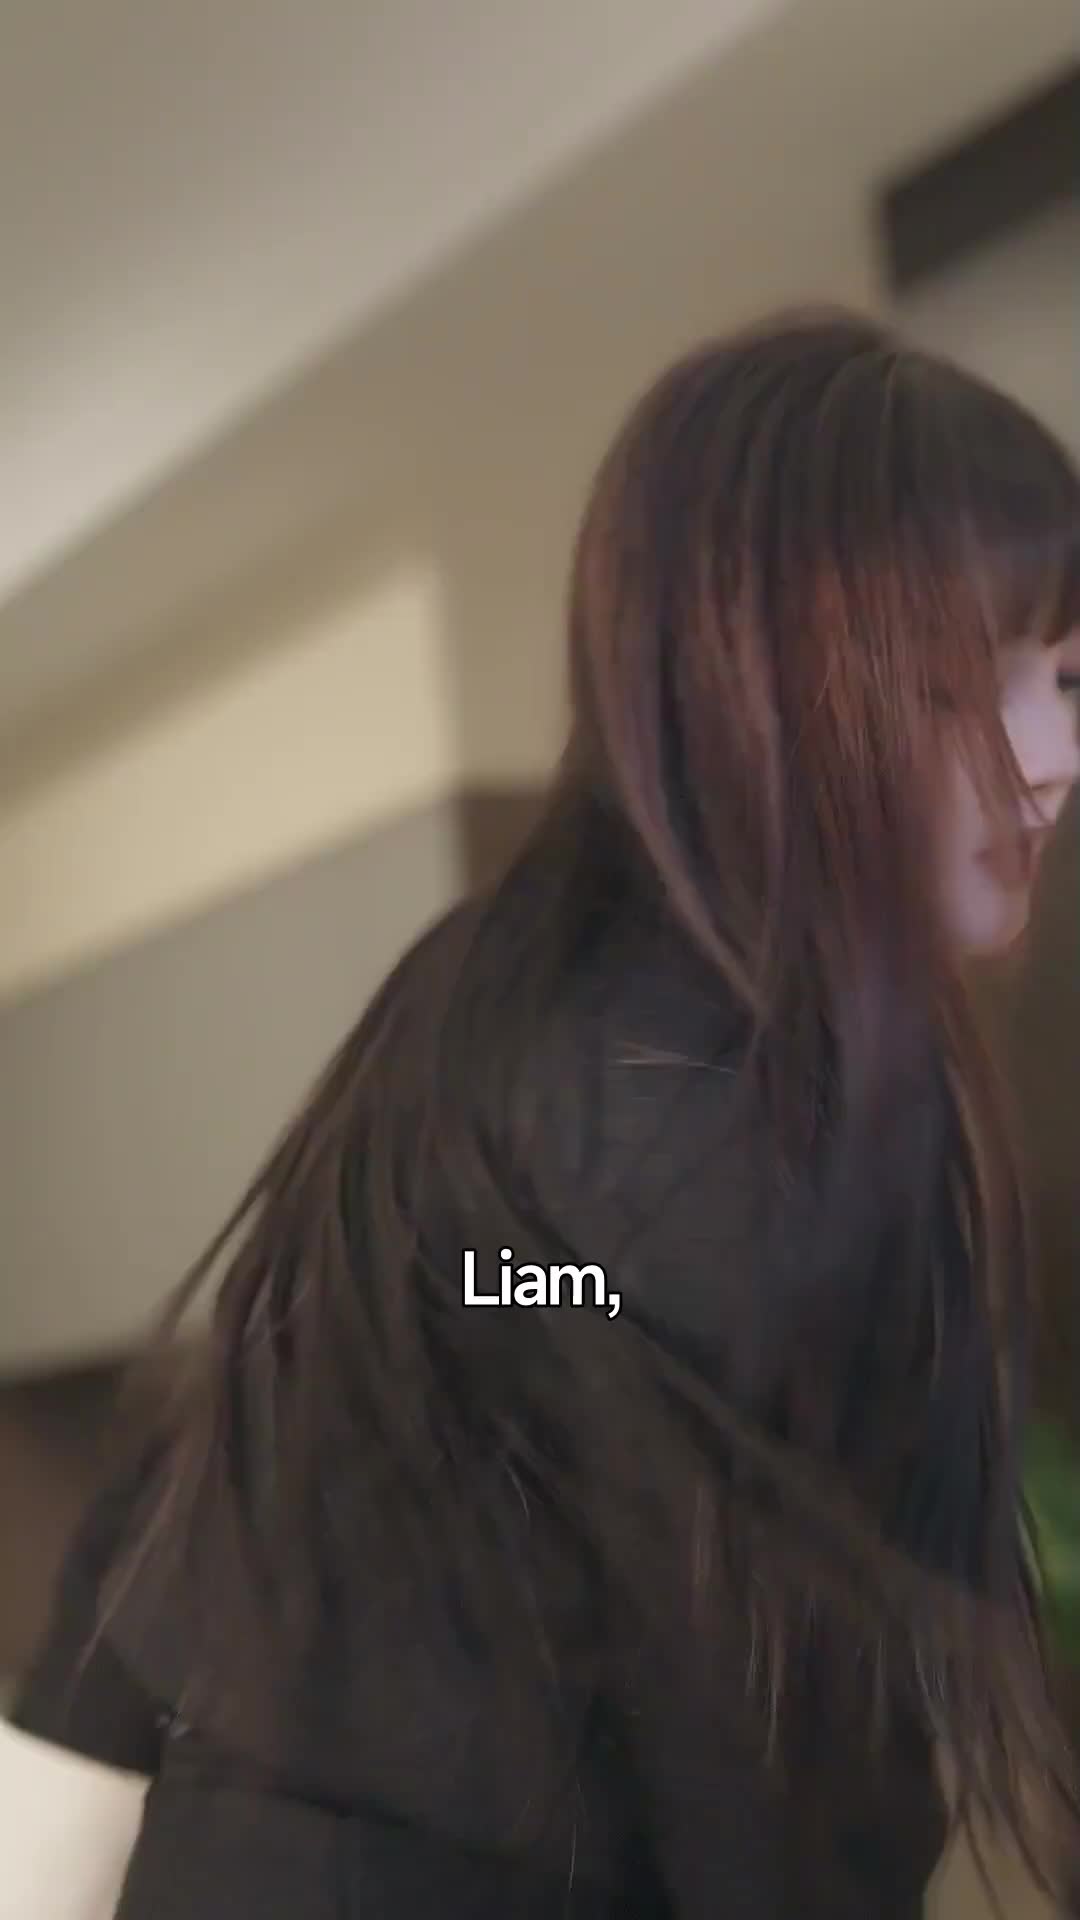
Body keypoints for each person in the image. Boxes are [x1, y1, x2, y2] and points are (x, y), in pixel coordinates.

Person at [3, 309, 1079, 1919]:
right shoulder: (702, 1095)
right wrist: (564, 1301)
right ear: (753, 686)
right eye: (951, 687)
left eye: (1066, 675)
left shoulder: (506, 991)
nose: (1052, 758)